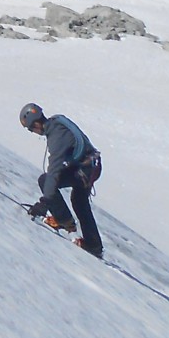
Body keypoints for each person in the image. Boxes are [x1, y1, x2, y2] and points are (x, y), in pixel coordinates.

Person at [20, 102, 104, 259]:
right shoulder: (57, 123)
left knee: (46, 181)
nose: (33, 132)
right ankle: (94, 245)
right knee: (79, 201)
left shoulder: (57, 137)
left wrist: (44, 203)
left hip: (84, 170)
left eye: (31, 128)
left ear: (37, 123)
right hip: (90, 165)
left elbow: (53, 173)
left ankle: (64, 221)